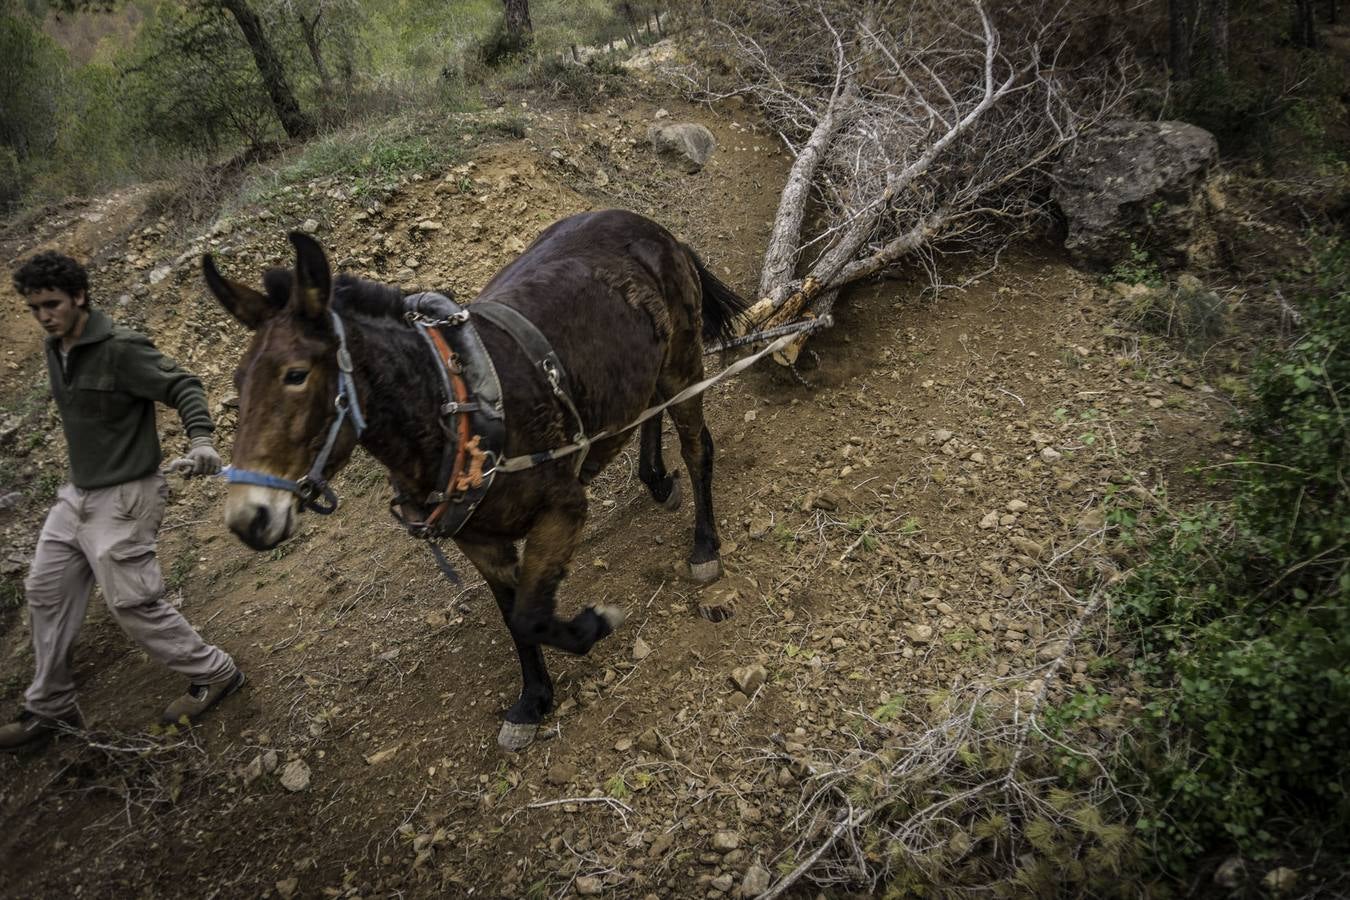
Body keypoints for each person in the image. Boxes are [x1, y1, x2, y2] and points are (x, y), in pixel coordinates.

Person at [1, 251, 244, 752]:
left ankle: (215, 673)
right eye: (35, 308)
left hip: (128, 496)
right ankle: (50, 705)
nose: (45, 316)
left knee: (132, 603)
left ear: (80, 297)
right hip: (75, 497)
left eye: (52, 304)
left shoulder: (120, 349)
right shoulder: (56, 348)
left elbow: (184, 385)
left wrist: (200, 440)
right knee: (46, 593)